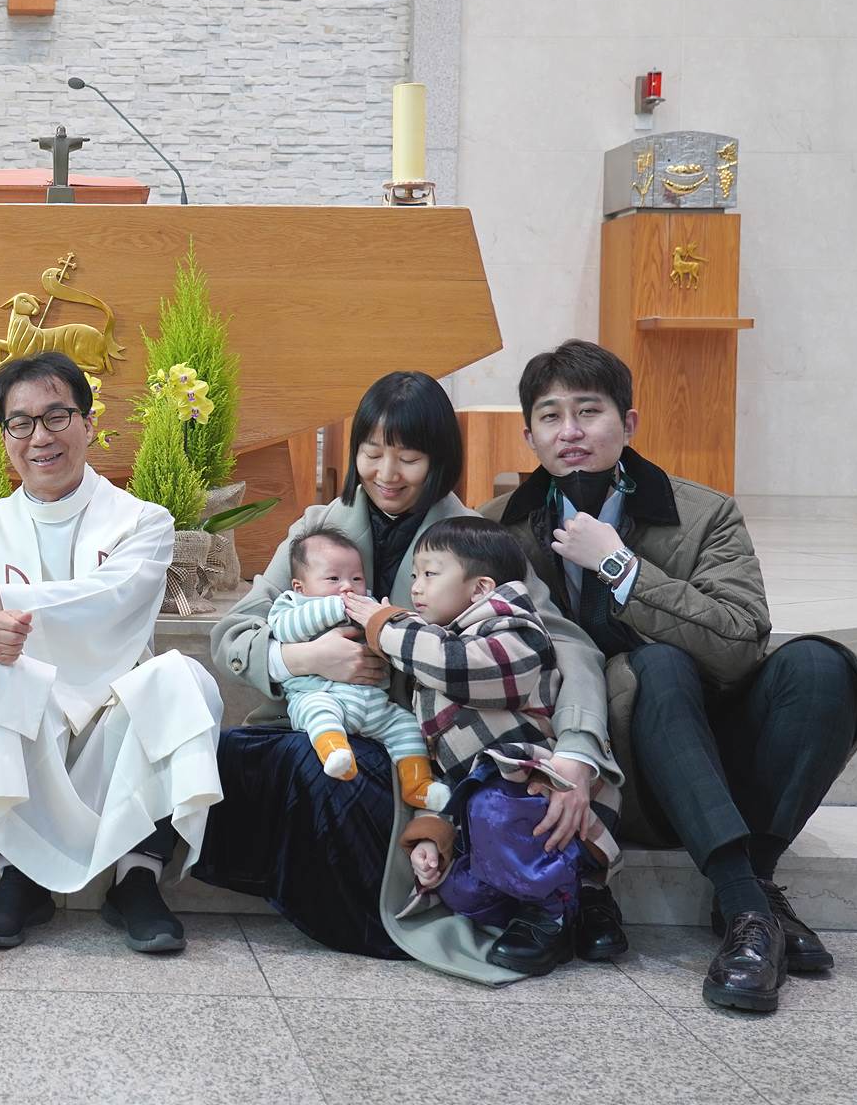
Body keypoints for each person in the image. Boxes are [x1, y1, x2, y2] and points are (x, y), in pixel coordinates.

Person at [481, 339, 857, 1011]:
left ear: (629, 423)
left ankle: (749, 888)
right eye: (550, 416)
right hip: (609, 769)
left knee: (821, 665)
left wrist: (622, 569)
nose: (570, 432)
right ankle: (752, 908)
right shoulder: (497, 530)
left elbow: (740, 646)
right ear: (529, 437)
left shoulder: (705, 513)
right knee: (654, 665)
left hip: (712, 745)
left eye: (589, 411)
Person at [203, 370, 620, 983]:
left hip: (416, 747)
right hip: (319, 716)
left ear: (441, 459)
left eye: (409, 457)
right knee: (222, 755)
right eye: (372, 453)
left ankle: (377, 918)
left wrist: (579, 750)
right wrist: (307, 659)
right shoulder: (315, 530)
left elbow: (566, 643)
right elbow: (233, 634)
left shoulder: (476, 539)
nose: (387, 474)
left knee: (320, 772)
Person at [0, 352, 224, 955]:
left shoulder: (144, 520)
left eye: (57, 417)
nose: (40, 437)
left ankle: (137, 876)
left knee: (186, 679)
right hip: (29, 697)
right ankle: (17, 876)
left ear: (87, 422)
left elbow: (111, 599)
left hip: (115, 698)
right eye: (21, 423)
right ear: (5, 436)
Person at [349, 516, 620, 947]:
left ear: (480, 589)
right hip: (482, 805)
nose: (416, 588)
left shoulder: (516, 631)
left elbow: (457, 665)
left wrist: (385, 625)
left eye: (430, 574)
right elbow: (442, 765)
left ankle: (550, 912)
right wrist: (432, 834)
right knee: (459, 890)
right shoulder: (438, 646)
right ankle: (558, 901)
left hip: (538, 796)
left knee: (494, 804)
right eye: (414, 576)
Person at [267, 528, 445, 810]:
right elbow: (285, 630)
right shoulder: (292, 604)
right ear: (300, 586)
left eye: (356, 579)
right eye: (333, 579)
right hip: (323, 695)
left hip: (375, 704)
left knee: (406, 726)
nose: (347, 587)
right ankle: (336, 754)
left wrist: (385, 618)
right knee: (317, 712)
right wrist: (338, 607)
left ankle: (418, 785)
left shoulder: (367, 605)